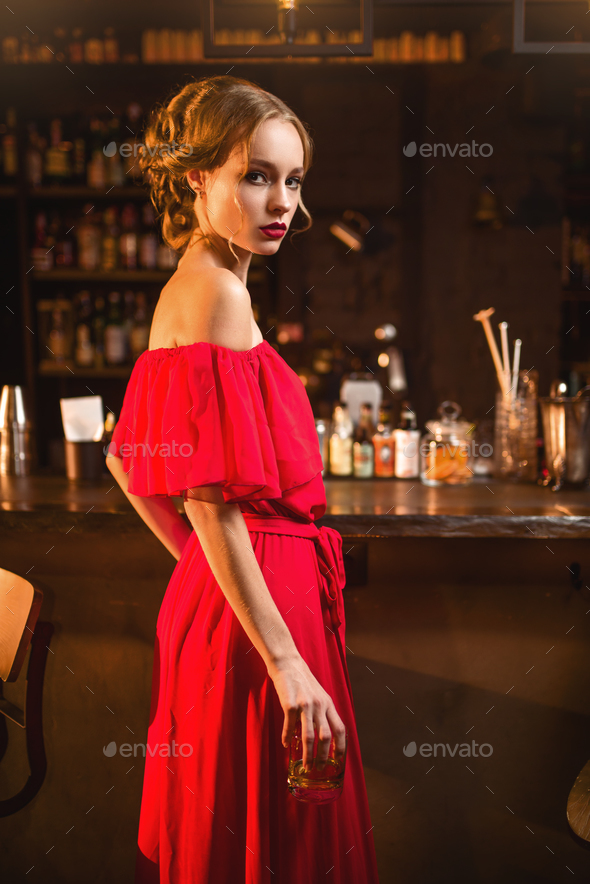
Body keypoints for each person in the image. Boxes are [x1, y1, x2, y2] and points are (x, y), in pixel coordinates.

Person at [106, 74, 379, 884]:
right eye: (255, 175)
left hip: (241, 608)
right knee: (273, 849)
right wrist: (286, 660)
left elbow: (128, 464)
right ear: (198, 176)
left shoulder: (195, 286)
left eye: (293, 181)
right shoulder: (217, 296)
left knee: (252, 842)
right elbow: (209, 503)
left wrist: (205, 576)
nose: (281, 202)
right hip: (263, 633)